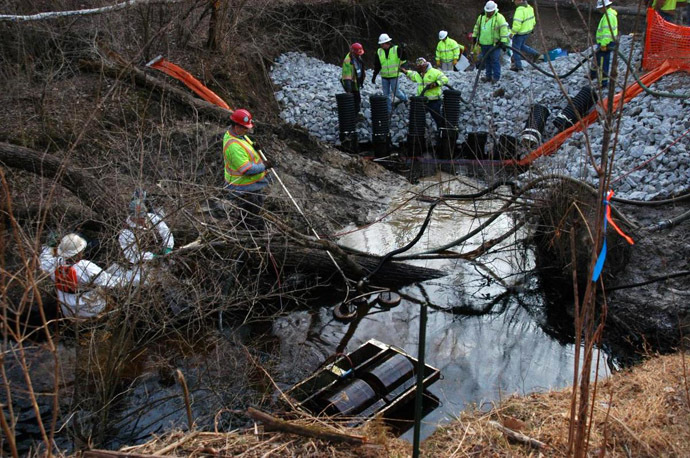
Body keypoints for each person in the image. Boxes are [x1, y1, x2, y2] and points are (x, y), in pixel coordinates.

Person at [45, 233, 136, 318]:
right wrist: (127, 281)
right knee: (111, 300)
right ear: (79, 252)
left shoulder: (55, 263)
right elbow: (109, 282)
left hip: (66, 308)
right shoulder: (85, 267)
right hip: (88, 308)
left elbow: (44, 264)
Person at [222, 108, 273, 229]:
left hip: (250, 185)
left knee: (256, 206)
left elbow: (246, 148)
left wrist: (254, 147)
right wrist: (264, 166)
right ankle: (248, 232)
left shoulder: (239, 135)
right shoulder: (233, 146)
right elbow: (247, 170)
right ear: (236, 126)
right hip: (243, 187)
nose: (247, 130)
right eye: (245, 128)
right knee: (250, 212)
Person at [118, 191, 174, 266]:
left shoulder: (152, 218)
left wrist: (168, 248)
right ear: (132, 217)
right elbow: (131, 256)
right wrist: (152, 257)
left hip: (163, 254)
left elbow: (166, 232)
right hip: (142, 267)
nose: (143, 219)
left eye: (144, 216)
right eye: (140, 217)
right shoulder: (126, 233)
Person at [401, 58, 449, 131]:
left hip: (434, 100)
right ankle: (419, 134)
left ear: (424, 66)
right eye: (418, 67)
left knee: (438, 118)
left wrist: (436, 84)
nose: (419, 68)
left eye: (420, 67)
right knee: (418, 118)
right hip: (422, 101)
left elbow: (445, 79)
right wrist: (405, 72)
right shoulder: (418, 74)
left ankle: (442, 132)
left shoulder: (435, 72)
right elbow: (412, 74)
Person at [472, 1, 511, 83]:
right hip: (483, 43)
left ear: (494, 10)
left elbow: (504, 30)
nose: (489, 13)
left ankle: (496, 77)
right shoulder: (481, 17)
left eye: (490, 12)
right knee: (486, 60)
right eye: (488, 11)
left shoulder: (499, 18)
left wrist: (503, 41)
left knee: (495, 60)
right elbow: (477, 27)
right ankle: (488, 76)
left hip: (494, 44)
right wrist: (475, 36)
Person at [371, 33, 408, 112]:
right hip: (384, 77)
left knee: (396, 92)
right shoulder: (379, 52)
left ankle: (405, 99)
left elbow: (404, 58)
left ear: (387, 43)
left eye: (382, 44)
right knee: (386, 95)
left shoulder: (396, 49)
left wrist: (403, 50)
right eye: (380, 44)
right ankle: (389, 110)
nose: (381, 46)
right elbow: (377, 65)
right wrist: (374, 76)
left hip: (394, 75)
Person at [591, 0, 618, 89]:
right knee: (597, 58)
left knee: (603, 63)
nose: (599, 10)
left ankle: (603, 83)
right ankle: (593, 75)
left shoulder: (608, 16)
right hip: (605, 42)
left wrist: (604, 44)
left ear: (604, 6)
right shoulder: (608, 14)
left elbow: (607, 32)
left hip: (606, 43)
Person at [510, 0, 541, 71]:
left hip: (520, 33)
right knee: (521, 46)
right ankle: (536, 54)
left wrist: (512, 33)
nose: (514, 2)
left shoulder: (519, 11)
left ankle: (518, 66)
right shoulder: (529, 7)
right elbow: (533, 20)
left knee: (515, 49)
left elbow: (517, 25)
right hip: (527, 32)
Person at [341, 42, 366, 114]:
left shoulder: (357, 57)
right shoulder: (348, 61)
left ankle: (356, 114)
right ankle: (352, 116)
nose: (360, 55)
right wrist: (348, 91)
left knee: (358, 100)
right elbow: (347, 77)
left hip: (356, 82)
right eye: (358, 53)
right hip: (350, 84)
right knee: (353, 101)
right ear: (354, 52)